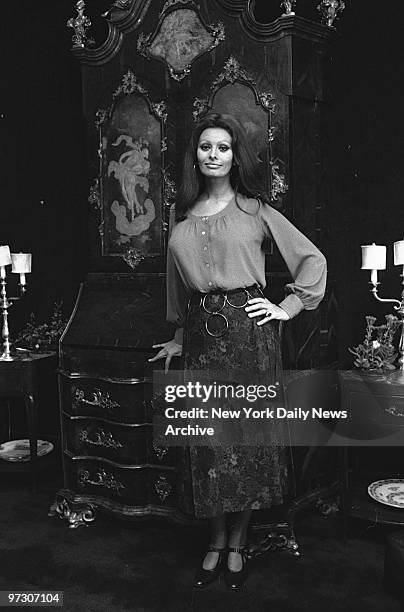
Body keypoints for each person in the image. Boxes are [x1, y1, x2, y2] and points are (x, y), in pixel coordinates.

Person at [149, 112, 327, 589]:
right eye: (205, 146)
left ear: (234, 156)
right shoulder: (179, 214)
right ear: (195, 155)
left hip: (250, 336)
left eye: (223, 147)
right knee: (208, 442)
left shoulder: (255, 211)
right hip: (203, 340)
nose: (213, 154)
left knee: (245, 441)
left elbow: (312, 260)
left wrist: (287, 307)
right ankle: (215, 536)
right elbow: (176, 286)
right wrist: (181, 335)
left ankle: (238, 539)